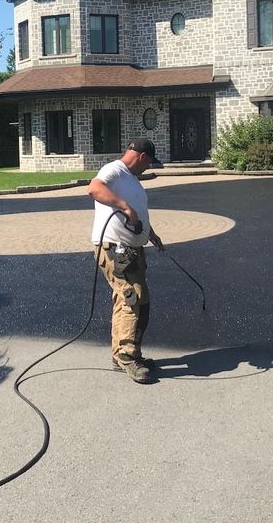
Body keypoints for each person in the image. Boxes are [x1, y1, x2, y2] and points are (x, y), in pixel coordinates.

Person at [89, 137, 164, 384]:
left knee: (129, 300)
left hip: (131, 249)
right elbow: (94, 188)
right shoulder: (114, 170)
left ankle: (122, 355)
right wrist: (124, 207)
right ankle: (128, 356)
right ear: (142, 157)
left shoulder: (130, 179)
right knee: (132, 297)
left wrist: (150, 234)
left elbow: (138, 212)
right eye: (149, 163)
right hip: (114, 249)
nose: (147, 168)